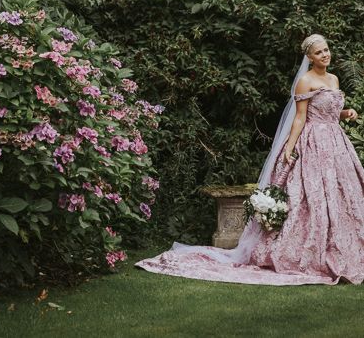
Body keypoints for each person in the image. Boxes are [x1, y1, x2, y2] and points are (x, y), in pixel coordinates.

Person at [136, 34, 364, 285]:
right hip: (312, 143)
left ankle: (343, 246)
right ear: (309, 57)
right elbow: (300, 118)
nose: (325, 55)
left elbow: (329, 111)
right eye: (319, 52)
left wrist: (346, 113)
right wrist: (289, 147)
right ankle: (308, 252)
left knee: (343, 194)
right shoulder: (305, 81)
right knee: (311, 196)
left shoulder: (333, 79)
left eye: (327, 50)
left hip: (336, 144)